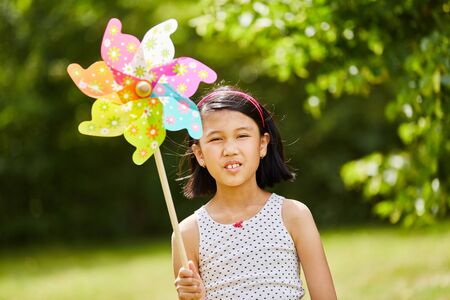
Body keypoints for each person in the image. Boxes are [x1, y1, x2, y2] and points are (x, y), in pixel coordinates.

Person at [172, 86, 337, 300]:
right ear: (199, 154)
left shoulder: (293, 215)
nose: (230, 149)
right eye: (216, 139)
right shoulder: (187, 234)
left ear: (262, 144)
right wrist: (191, 298)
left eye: (241, 135)